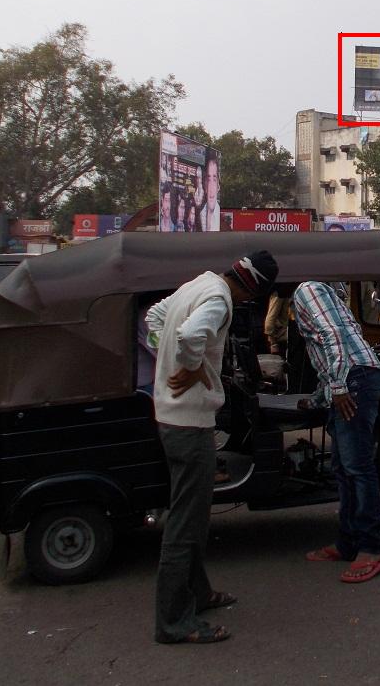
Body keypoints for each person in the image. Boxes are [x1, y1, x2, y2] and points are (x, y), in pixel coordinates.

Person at [150, 250, 278, 645]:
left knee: (190, 517)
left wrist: (169, 359)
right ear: (252, 290)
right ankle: (174, 623)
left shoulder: (199, 282)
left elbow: (155, 318)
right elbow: (190, 336)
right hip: (189, 426)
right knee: (185, 527)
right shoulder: (221, 299)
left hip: (170, 419)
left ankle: (199, 594)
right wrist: (188, 367)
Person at [287, 280, 380, 584]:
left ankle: (371, 550)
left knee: (357, 467)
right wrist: (321, 396)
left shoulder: (306, 289)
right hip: (353, 377)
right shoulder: (318, 291)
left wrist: (338, 386)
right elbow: (330, 346)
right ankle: (348, 543)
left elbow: (333, 337)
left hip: (355, 378)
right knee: (343, 469)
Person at [201, 156, 222, 232]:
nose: (211, 187)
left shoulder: (221, 218)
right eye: (209, 180)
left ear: (218, 187)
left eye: (214, 179)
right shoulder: (199, 217)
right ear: (205, 186)